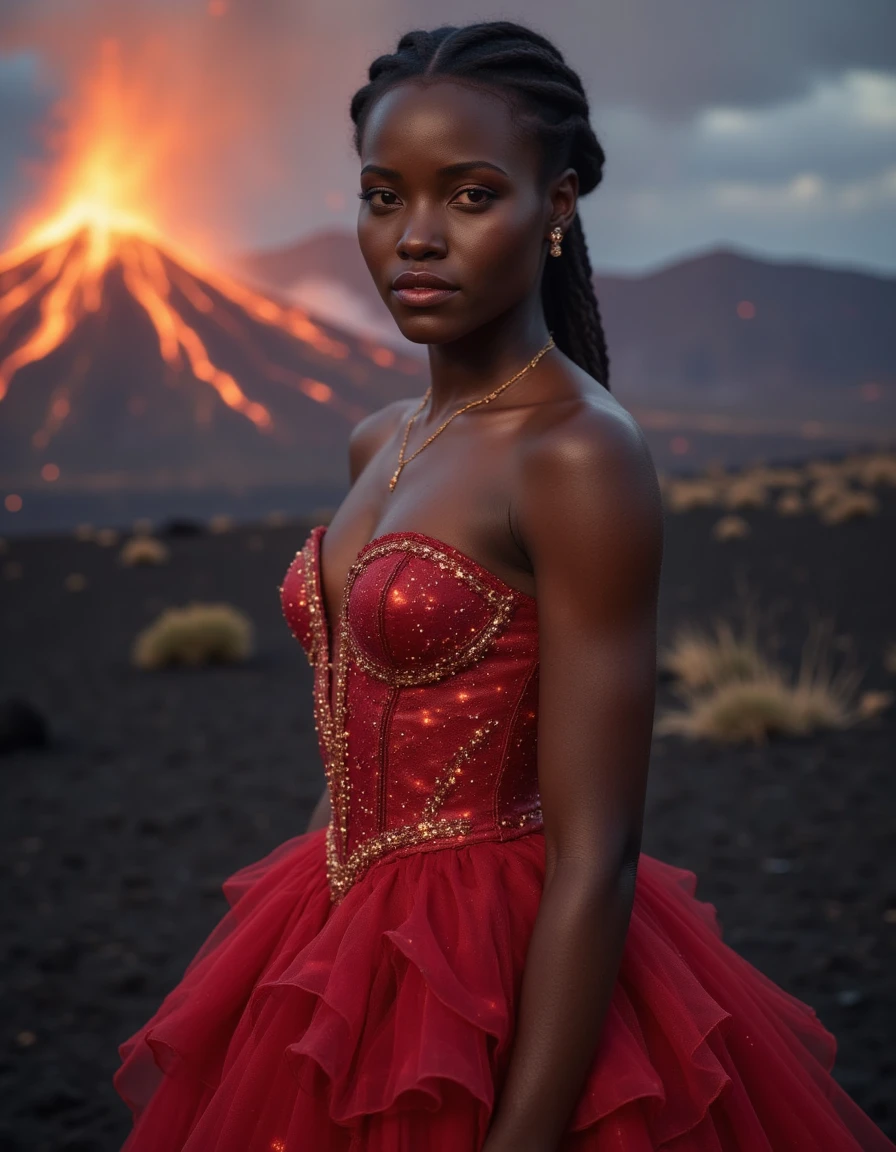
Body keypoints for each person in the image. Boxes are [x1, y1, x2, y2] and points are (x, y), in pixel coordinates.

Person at [113, 20, 894, 1152]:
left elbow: (599, 850)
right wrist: (308, 963)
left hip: (503, 962)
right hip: (342, 945)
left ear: (557, 204)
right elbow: (355, 738)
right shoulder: (378, 438)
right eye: (384, 197)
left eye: (469, 196)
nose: (415, 237)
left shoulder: (576, 455)